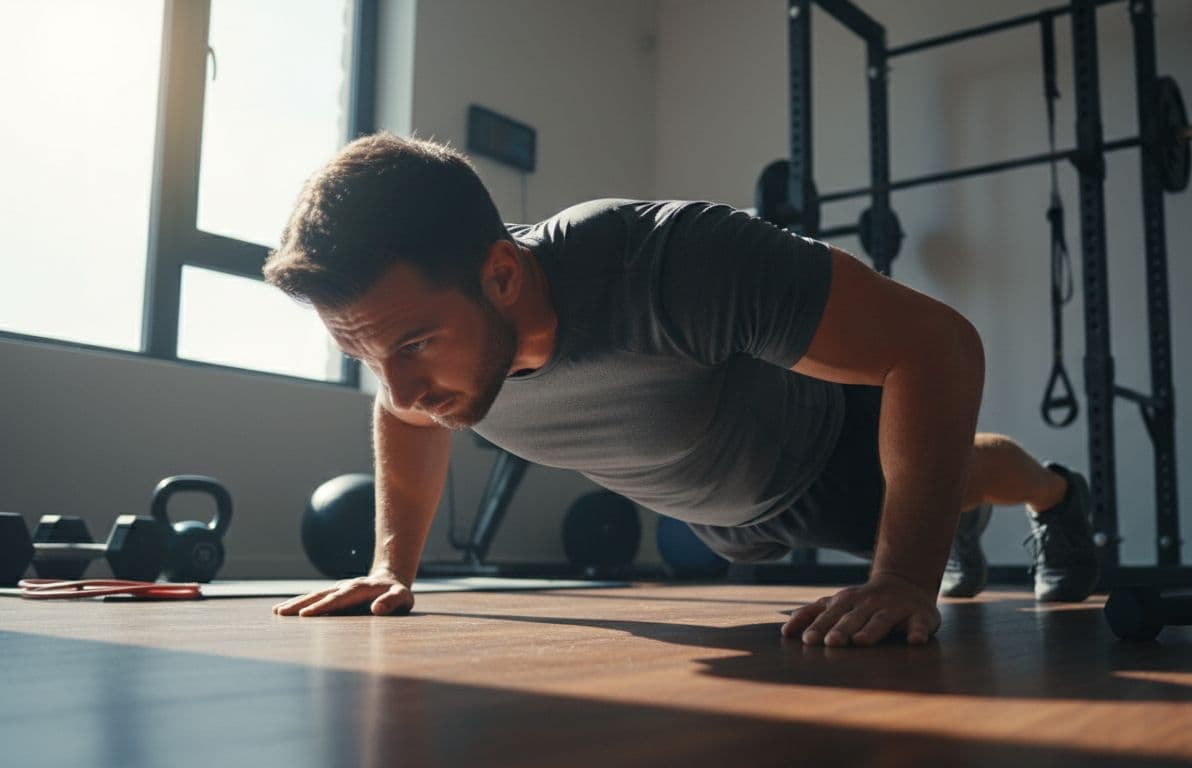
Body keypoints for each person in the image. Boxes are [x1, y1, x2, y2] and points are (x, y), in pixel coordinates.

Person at [266, 133, 1099, 646]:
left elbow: (938, 344)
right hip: (717, 507)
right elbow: (402, 417)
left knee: (961, 479)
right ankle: (945, 521)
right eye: (367, 354)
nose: (403, 387)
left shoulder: (671, 264)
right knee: (907, 509)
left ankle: (1058, 496)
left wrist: (906, 579)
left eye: (412, 344)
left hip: (822, 453)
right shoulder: (425, 360)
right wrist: (390, 568)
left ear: (502, 273)